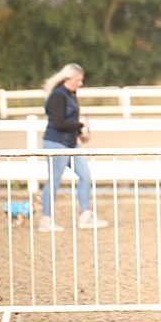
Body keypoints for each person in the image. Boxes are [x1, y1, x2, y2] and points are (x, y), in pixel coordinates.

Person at [38, 63, 108, 231]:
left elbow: (69, 122)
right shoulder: (58, 96)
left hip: (71, 144)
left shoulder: (71, 94)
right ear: (69, 78)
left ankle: (85, 214)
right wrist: (79, 124)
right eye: (79, 80)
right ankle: (46, 219)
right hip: (56, 143)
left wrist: (79, 133)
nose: (80, 83)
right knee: (54, 180)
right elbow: (60, 122)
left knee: (85, 175)